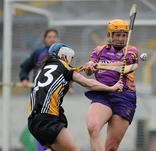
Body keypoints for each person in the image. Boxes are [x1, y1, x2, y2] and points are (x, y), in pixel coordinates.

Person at [28, 43, 123, 151]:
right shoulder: (64, 67)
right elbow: (89, 83)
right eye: (70, 58)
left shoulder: (43, 69)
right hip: (48, 119)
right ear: (64, 56)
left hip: (33, 121)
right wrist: (111, 88)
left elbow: (61, 82)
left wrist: (79, 71)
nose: (70, 61)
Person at [83, 19, 139, 151]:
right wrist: (90, 67)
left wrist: (100, 65)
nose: (121, 39)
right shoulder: (99, 50)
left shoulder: (131, 51)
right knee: (92, 127)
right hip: (103, 95)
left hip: (124, 98)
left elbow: (122, 68)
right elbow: (89, 72)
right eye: (117, 35)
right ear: (110, 35)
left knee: (111, 147)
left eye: (124, 35)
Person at [19, 29, 59, 151]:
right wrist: (24, 79)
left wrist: (70, 87)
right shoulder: (38, 53)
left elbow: (66, 73)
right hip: (37, 98)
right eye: (49, 37)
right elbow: (24, 67)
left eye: (54, 37)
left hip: (54, 99)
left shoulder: (61, 55)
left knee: (54, 126)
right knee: (38, 126)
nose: (52, 39)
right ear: (44, 39)